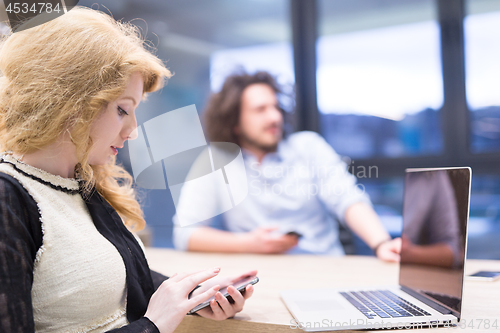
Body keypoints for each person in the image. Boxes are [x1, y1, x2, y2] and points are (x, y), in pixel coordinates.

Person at [0, 7, 255, 333]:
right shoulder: (8, 199)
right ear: (73, 102)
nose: (132, 130)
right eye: (123, 110)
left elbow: (122, 274)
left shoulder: (79, 184)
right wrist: (152, 325)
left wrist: (194, 294)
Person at [172, 71, 401, 260]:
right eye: (260, 110)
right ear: (235, 123)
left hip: (324, 268)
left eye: (275, 107)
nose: (275, 117)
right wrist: (250, 243)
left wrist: (381, 243)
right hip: (259, 277)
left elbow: (348, 199)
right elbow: (185, 234)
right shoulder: (217, 160)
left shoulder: (308, 146)